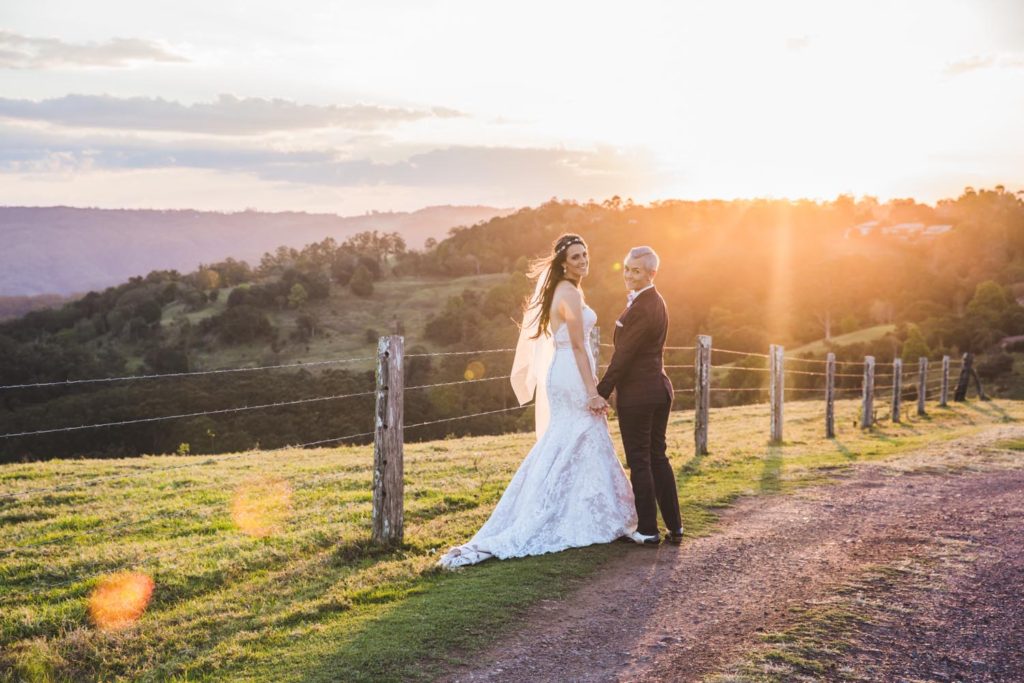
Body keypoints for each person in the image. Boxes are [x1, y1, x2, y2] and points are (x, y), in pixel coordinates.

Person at [438, 234, 638, 569]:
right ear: (563, 263)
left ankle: (580, 506)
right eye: (576, 257)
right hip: (572, 374)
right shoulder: (570, 293)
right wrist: (593, 391)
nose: (583, 260)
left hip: (562, 373)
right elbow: (577, 346)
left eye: (585, 254)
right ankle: (579, 513)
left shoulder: (565, 290)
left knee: (567, 437)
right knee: (582, 433)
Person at [597, 246, 683, 545]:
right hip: (658, 389)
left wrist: (601, 392)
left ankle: (647, 530)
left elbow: (624, 356)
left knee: (641, 459)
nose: (629, 275)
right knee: (657, 456)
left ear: (651, 273)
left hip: (640, 395)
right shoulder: (654, 302)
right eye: (627, 269)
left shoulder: (646, 306)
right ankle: (676, 526)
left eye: (636, 270)